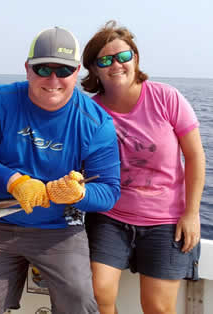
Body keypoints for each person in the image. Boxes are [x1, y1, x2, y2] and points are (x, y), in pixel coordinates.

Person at [0, 26, 121, 314]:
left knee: (80, 300)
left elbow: (109, 190)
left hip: (61, 228)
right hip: (1, 219)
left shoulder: (97, 122)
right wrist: (15, 181)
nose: (52, 79)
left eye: (63, 70)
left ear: (77, 73)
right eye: (42, 68)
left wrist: (77, 194)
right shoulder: (1, 100)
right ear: (27, 69)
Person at [81, 20, 205, 314]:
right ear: (94, 68)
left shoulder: (166, 98)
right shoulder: (90, 110)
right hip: (110, 217)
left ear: (135, 58)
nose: (116, 65)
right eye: (105, 60)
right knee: (98, 294)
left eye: (123, 56)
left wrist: (192, 213)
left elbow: (196, 156)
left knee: (158, 307)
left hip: (166, 220)